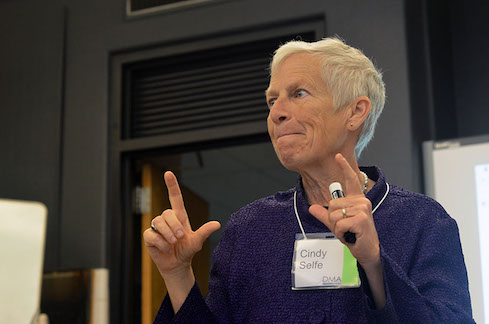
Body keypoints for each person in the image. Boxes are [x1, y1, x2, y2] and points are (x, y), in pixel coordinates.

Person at [144, 37, 474, 323]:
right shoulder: (247, 230)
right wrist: (177, 276)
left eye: (298, 93)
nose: (276, 113)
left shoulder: (424, 223)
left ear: (355, 112)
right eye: (272, 100)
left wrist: (374, 263)